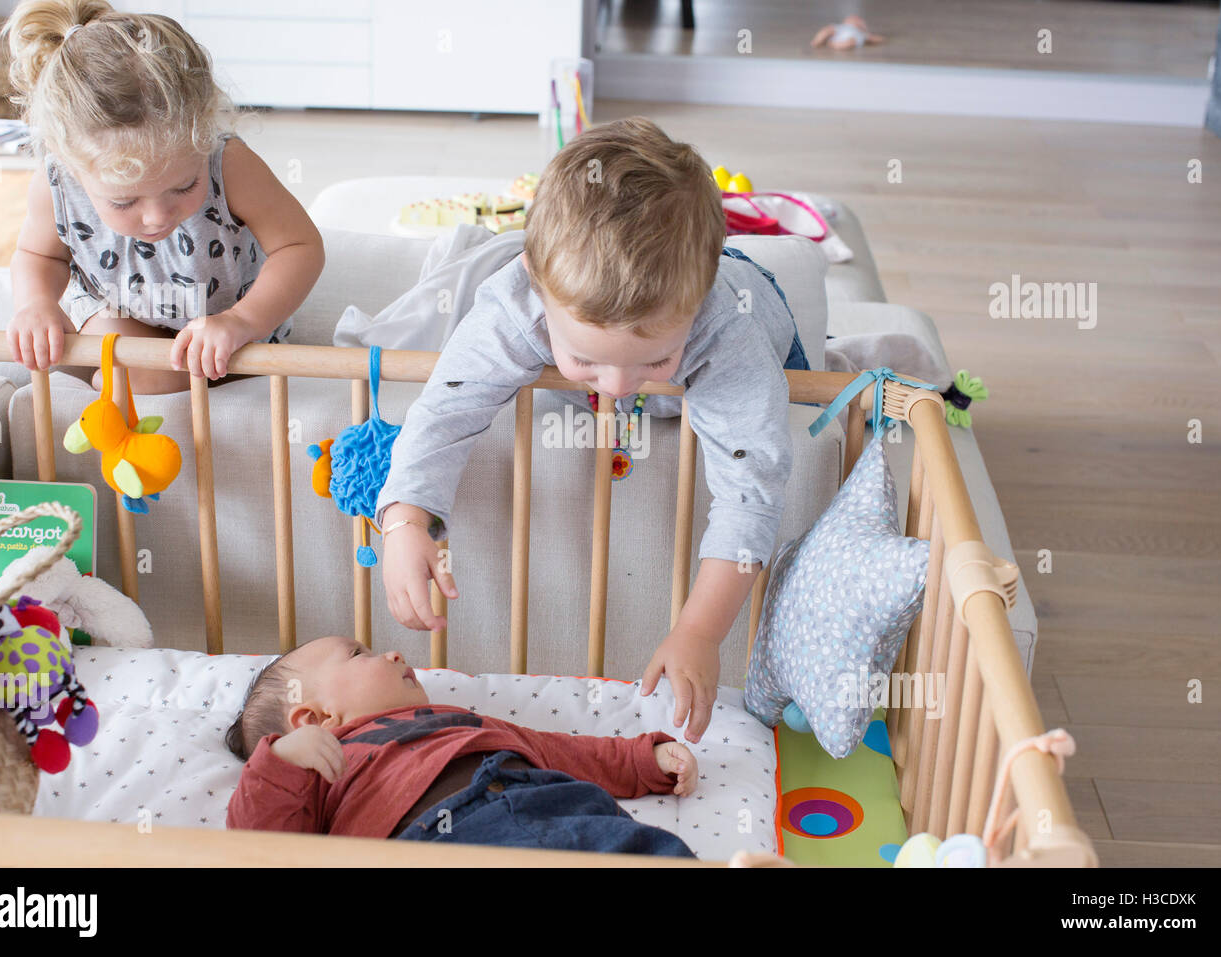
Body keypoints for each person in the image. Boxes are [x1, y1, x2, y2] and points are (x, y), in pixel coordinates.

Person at [375, 117, 812, 743]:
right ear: (536, 282)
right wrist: (405, 519)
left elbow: (752, 490)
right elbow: (446, 411)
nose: (617, 386)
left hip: (760, 313)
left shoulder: (728, 329)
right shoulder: (514, 304)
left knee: (792, 398)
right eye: (585, 360)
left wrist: (700, 631)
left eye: (653, 361)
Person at [1, 0, 324, 394]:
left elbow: (300, 246)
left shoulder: (228, 163)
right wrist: (35, 305)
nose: (156, 217)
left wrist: (243, 321)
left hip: (225, 324)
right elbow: (39, 255)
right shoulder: (57, 180)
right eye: (124, 202)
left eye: (184, 186)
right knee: (111, 351)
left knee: (201, 366)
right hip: (122, 313)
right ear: (73, 166)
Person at [225, 636, 699, 858]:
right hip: (437, 843)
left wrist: (643, 760)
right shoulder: (322, 768)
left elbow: (561, 752)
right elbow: (261, 848)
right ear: (317, 719)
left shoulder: (463, 723)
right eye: (358, 654)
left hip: (565, 810)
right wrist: (281, 763)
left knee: (648, 850)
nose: (392, 653)